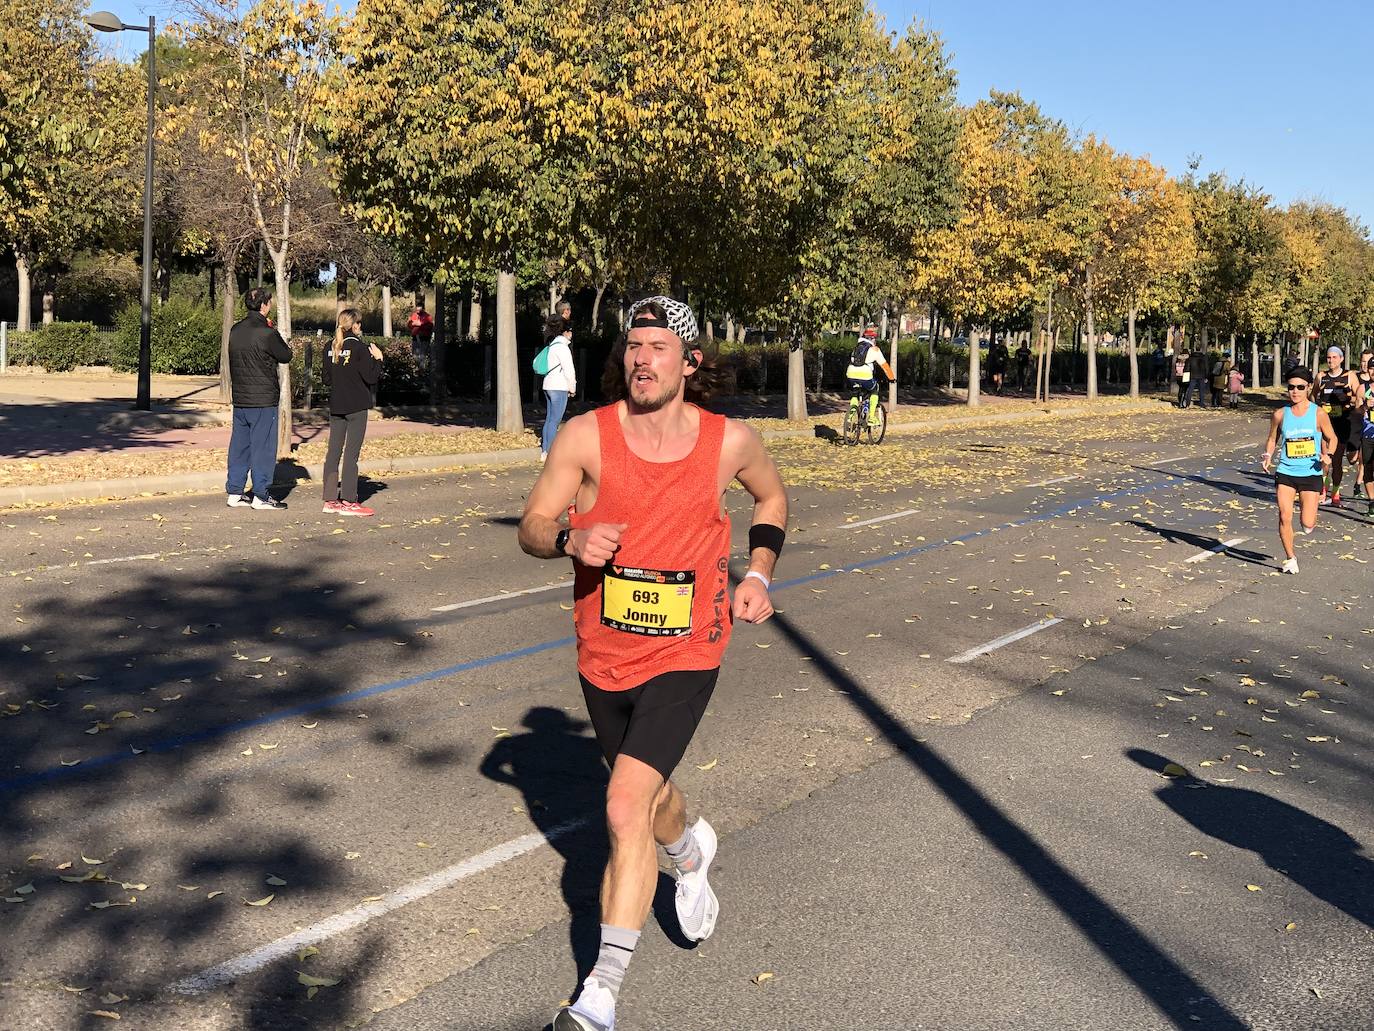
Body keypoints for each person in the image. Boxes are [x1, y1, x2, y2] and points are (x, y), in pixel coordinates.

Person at [518, 295, 788, 1031]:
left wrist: (757, 571)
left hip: (689, 647)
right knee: (650, 794)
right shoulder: (585, 436)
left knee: (620, 804)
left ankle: (599, 996)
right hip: (603, 652)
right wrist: (568, 538)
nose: (641, 357)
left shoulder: (728, 441)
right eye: (633, 345)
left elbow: (771, 497)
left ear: (689, 361)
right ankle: (690, 848)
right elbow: (533, 523)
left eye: (658, 346)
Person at [1262, 367, 1336, 574]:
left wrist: (1328, 455)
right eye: (1291, 387)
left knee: (1307, 523)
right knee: (1285, 515)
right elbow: (1272, 439)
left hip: (1311, 472)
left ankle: (1310, 517)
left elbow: (1333, 438)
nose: (1295, 391)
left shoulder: (1318, 414)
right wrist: (1268, 455)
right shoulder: (1280, 414)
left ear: (1308, 388)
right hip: (1286, 470)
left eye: (1300, 387)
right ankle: (1290, 557)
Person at [226, 287, 292, 511]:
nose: (270, 305)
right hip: (263, 399)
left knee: (240, 446)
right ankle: (261, 495)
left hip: (241, 398)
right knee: (263, 448)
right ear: (264, 305)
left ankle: (235, 491)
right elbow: (286, 355)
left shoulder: (235, 330)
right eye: (269, 302)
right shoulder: (267, 333)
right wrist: (273, 331)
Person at [321, 307, 383, 517]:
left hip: (336, 406)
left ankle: (330, 500)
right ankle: (348, 500)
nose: (360, 327)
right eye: (359, 323)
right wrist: (378, 359)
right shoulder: (360, 349)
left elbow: (326, 379)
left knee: (333, 452)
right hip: (356, 407)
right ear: (354, 325)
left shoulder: (330, 347)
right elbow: (371, 377)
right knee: (351, 455)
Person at [1315, 346, 1360, 506]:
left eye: (1334, 357)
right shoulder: (1321, 376)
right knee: (1324, 458)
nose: (1331, 360)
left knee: (1336, 462)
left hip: (1342, 424)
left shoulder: (1350, 376)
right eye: (1328, 357)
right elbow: (1313, 396)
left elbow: (1359, 394)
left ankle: (1335, 493)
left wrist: (1355, 403)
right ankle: (1323, 490)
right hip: (1325, 425)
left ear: (1341, 359)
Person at [540, 314, 577, 461]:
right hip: (559, 386)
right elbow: (569, 370)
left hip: (548, 385)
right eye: (570, 331)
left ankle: (545, 450)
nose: (571, 334)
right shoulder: (563, 348)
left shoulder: (552, 346)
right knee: (555, 420)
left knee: (549, 419)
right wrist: (572, 387)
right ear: (565, 332)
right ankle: (551, 451)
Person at [846, 326, 895, 427]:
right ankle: (872, 418)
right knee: (874, 389)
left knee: (855, 394)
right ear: (873, 339)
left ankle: (850, 417)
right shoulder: (874, 349)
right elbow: (885, 366)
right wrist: (891, 378)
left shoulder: (856, 348)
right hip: (865, 375)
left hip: (850, 374)